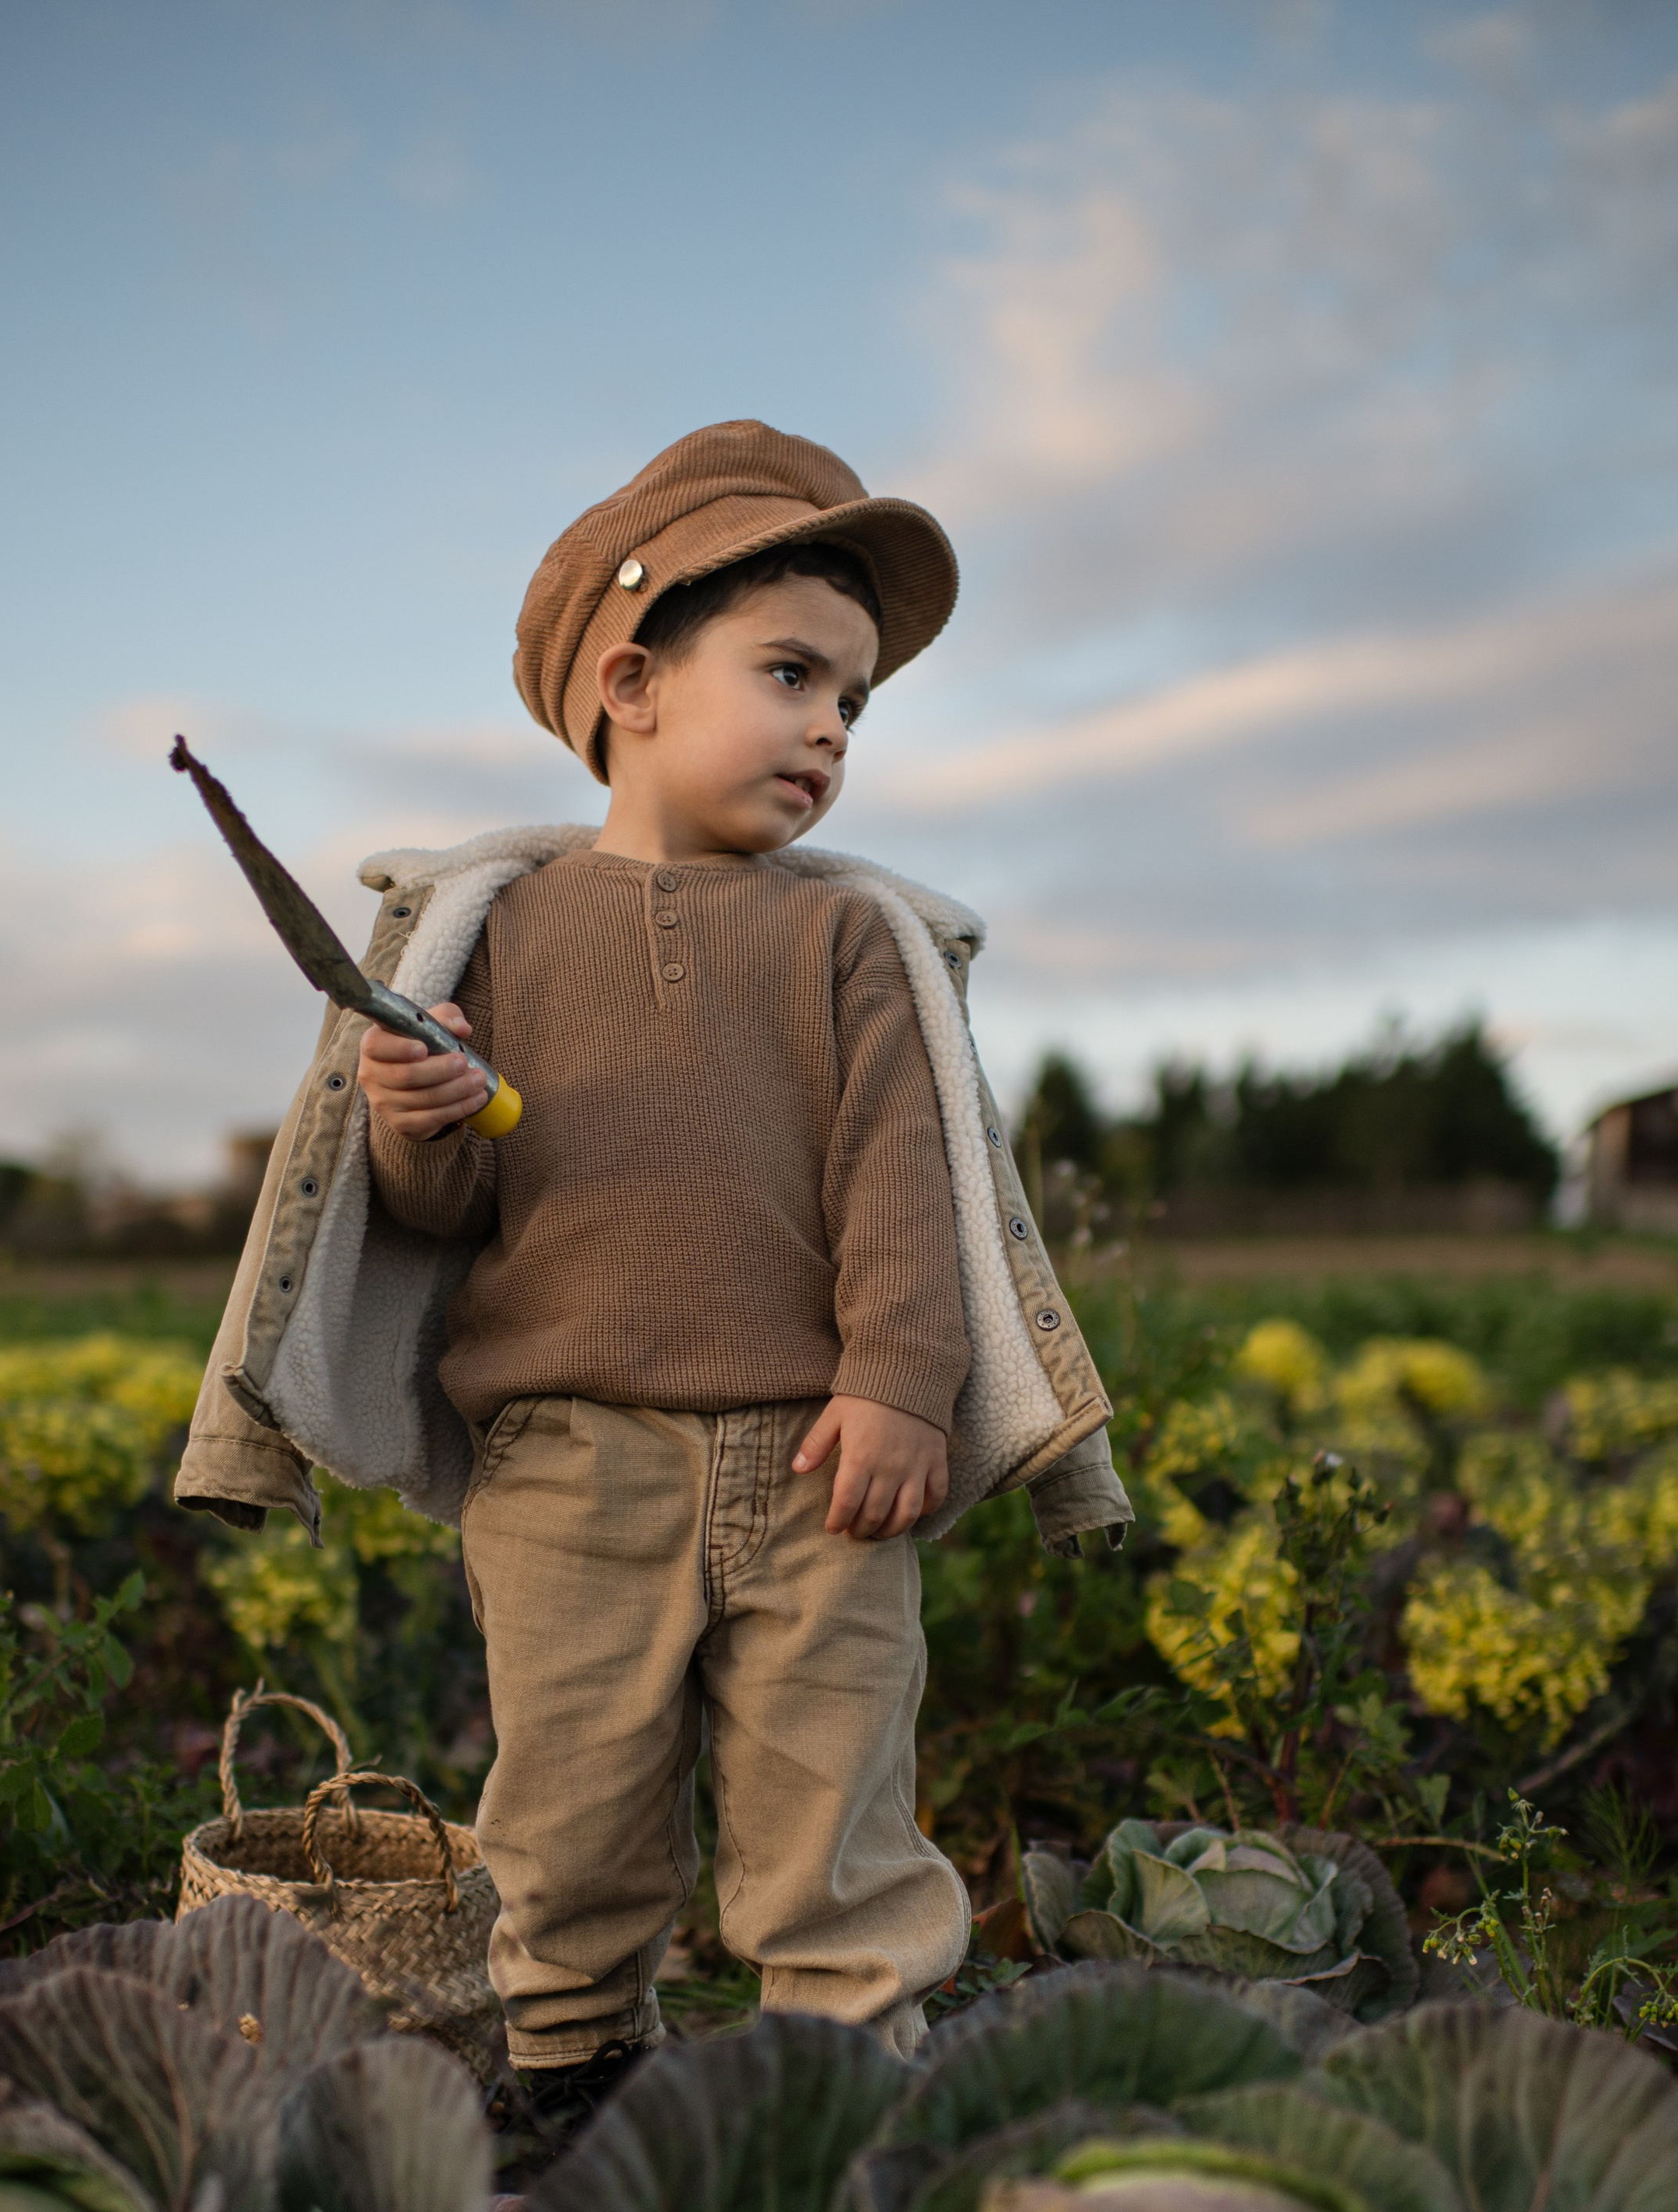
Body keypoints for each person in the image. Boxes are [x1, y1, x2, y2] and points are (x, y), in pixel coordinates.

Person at [176, 420, 1131, 2122]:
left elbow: (902, 1176)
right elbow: (445, 1214)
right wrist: (416, 1119)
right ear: (631, 682)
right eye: (791, 675)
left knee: (834, 1803)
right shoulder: (501, 932)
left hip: (822, 1460)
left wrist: (901, 1381)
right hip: (566, 1460)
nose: (832, 729)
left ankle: (840, 2091)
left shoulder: (846, 938)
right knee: (570, 1809)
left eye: (855, 703)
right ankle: (573, 2071)